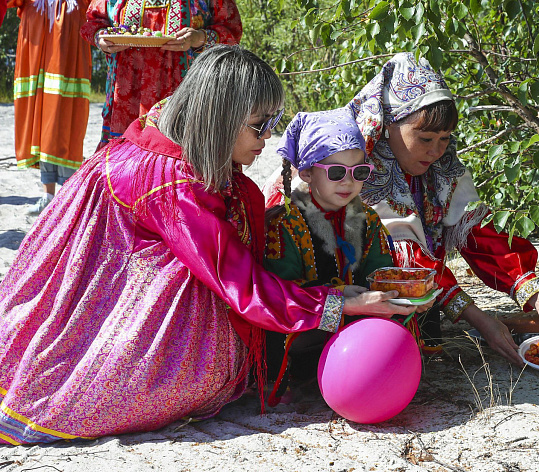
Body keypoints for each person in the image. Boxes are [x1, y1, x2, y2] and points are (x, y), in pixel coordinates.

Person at [0, 45, 414, 446]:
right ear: (220, 117)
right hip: (112, 270)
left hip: (109, 259)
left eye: (273, 122)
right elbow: (240, 282)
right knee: (196, 367)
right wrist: (341, 305)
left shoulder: (175, 124)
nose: (267, 137)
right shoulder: (175, 185)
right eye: (258, 125)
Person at [268, 52, 539, 366]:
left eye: (445, 138)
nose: (436, 151)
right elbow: (403, 258)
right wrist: (480, 320)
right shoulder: (356, 169)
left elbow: (481, 234)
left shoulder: (443, 167)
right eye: (424, 138)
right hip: (316, 298)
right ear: (387, 125)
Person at [261, 107, 409, 405]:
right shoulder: (284, 224)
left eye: (359, 172)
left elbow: (380, 272)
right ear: (306, 172)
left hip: (360, 330)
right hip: (304, 337)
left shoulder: (366, 218)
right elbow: (280, 295)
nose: (348, 182)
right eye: (337, 172)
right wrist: (340, 297)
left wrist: (399, 292)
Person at [80, 0, 241, 150]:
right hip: (126, 101)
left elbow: (232, 32)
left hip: (186, 97)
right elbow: (93, 24)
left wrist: (199, 38)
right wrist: (102, 39)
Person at [12, 0, 92, 215]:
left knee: (65, 122)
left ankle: (67, 196)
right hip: (36, 55)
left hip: (68, 56)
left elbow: (101, 11)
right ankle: (48, 195)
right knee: (41, 126)